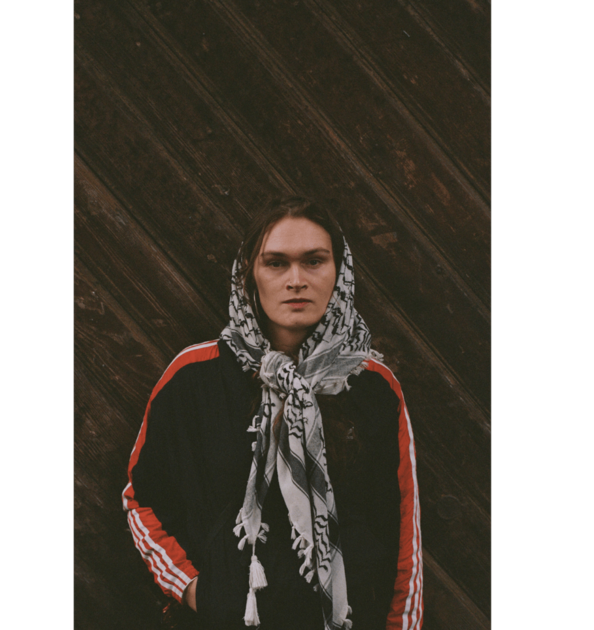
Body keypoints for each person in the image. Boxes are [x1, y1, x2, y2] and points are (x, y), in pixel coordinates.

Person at [123, 197, 423, 630]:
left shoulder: (372, 385)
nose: (296, 280)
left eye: (314, 261)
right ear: (250, 275)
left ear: (339, 272)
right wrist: (195, 590)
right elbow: (142, 497)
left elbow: (404, 532)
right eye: (276, 263)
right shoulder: (194, 376)